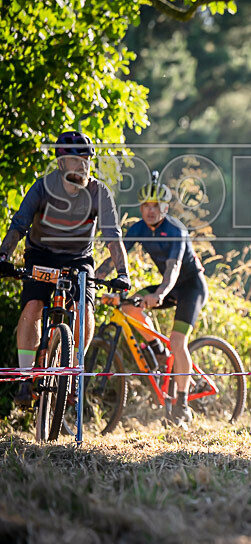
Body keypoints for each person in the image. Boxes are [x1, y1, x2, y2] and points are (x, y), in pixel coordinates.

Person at [0, 130, 131, 406]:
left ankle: (71, 370)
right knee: (33, 306)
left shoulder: (98, 192)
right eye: (75, 159)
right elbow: (19, 226)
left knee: (84, 310)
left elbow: (112, 237)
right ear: (61, 163)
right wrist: (3, 256)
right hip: (41, 254)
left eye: (86, 158)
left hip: (78, 259)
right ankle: (25, 378)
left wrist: (123, 273)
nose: (83, 164)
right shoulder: (43, 187)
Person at [97, 172, 208, 426]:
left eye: (155, 206)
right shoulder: (138, 228)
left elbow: (174, 269)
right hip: (166, 287)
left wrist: (160, 294)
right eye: (146, 206)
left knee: (178, 341)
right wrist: (94, 278)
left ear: (165, 208)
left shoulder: (175, 230)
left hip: (190, 286)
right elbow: (116, 257)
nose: (150, 211)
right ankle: (159, 352)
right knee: (127, 307)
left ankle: (182, 404)